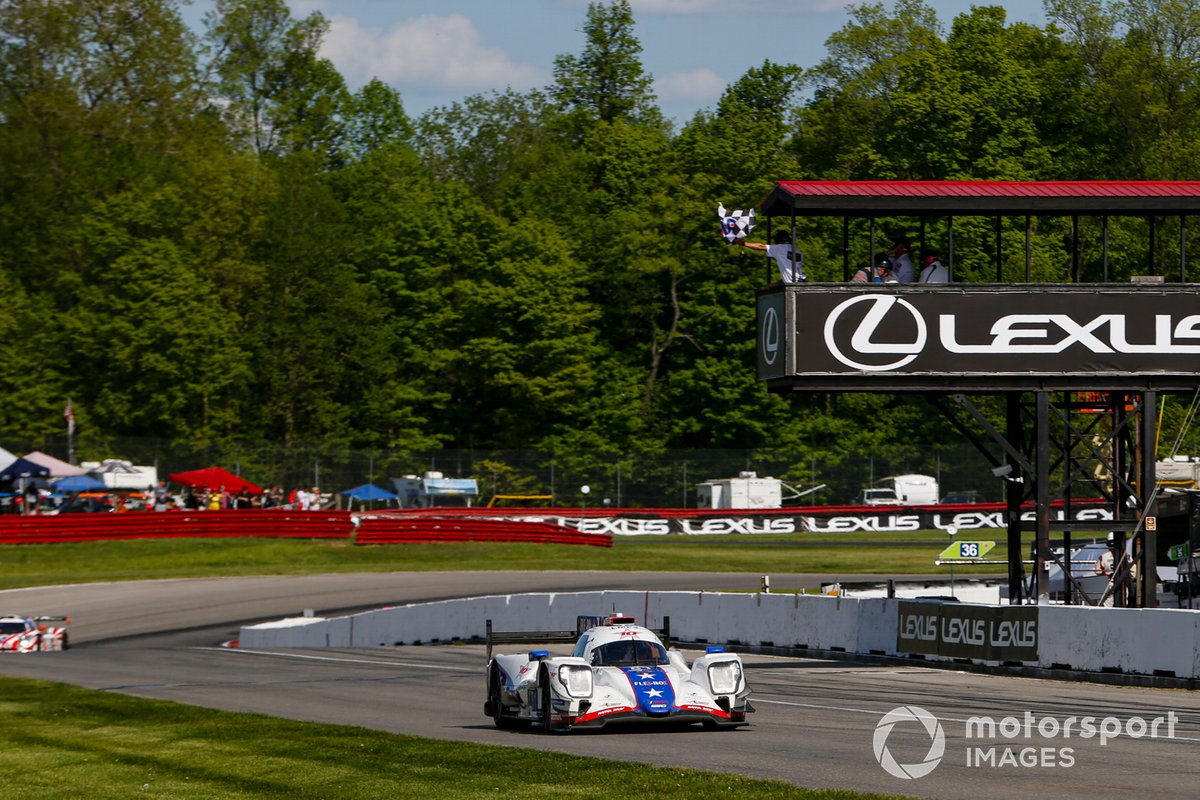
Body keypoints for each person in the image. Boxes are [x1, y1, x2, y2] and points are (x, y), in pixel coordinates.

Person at [740, 230, 806, 284]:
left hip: (792, 286)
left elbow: (760, 247)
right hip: (801, 282)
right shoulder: (798, 251)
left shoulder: (780, 248)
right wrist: (774, 285)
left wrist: (742, 243)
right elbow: (790, 273)